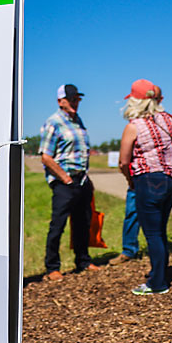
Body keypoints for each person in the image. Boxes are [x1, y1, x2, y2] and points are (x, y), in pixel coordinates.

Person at [118, 79, 172, 294]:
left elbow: (124, 162)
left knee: (152, 233)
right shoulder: (169, 120)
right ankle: (161, 272)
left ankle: (157, 283)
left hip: (149, 180)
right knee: (161, 229)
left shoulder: (134, 127)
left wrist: (130, 180)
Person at [39, 84, 100, 282]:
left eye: (77, 99)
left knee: (83, 222)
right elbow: (46, 157)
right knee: (58, 224)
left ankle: (83, 260)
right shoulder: (53, 123)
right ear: (60, 101)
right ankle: (52, 266)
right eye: (71, 99)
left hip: (81, 179)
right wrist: (64, 178)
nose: (75, 102)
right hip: (64, 181)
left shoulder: (77, 121)